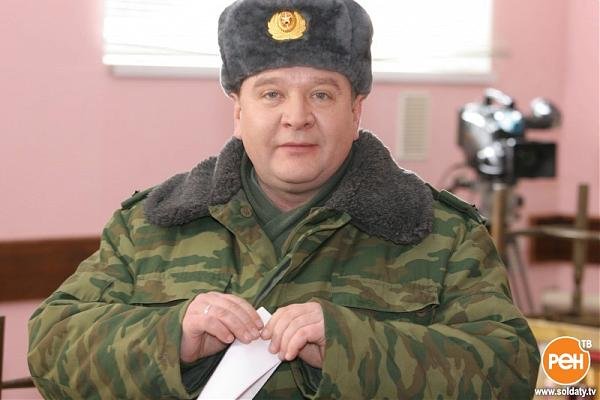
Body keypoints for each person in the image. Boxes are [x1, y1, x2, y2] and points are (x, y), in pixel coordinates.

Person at [28, 0, 540, 398]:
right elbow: (51, 347)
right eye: (271, 93)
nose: (296, 117)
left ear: (356, 110)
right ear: (238, 110)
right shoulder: (152, 226)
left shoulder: (439, 233)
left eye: (322, 94)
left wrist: (349, 345)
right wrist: (171, 336)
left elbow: (509, 370)